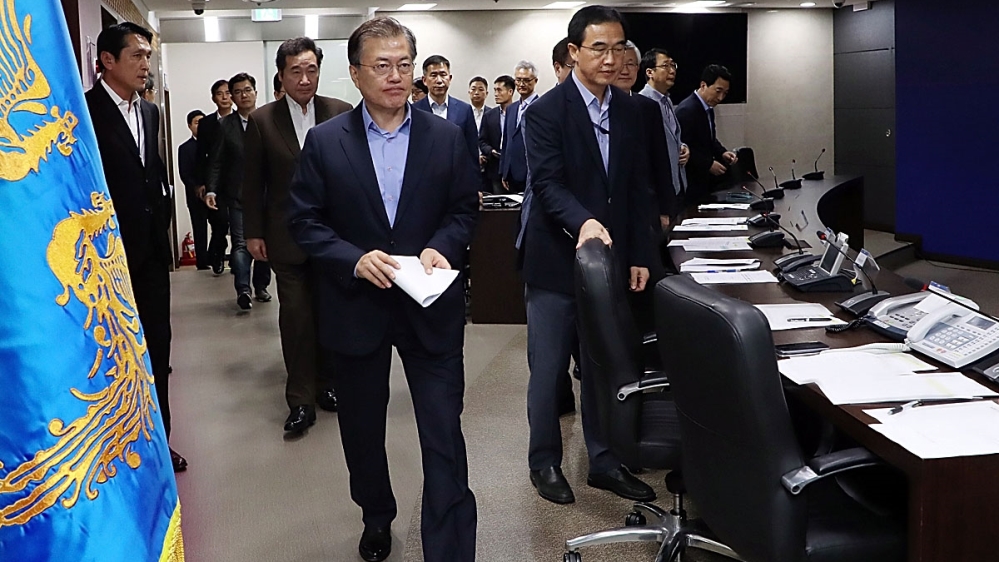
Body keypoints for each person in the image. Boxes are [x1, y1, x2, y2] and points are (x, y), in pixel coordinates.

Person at [287, 17, 478, 562]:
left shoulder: (447, 136)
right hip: (357, 308)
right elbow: (304, 221)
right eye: (381, 66)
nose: (396, 76)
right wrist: (352, 258)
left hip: (430, 305)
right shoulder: (325, 143)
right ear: (355, 73)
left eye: (404, 64)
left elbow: (465, 209)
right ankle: (376, 515)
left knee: (443, 431)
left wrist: (444, 244)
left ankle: (451, 544)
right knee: (363, 432)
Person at [519, 5, 656, 505]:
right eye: (598, 47)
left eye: (618, 47)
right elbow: (548, 184)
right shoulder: (545, 112)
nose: (610, 58)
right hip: (555, 263)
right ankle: (545, 463)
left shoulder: (630, 109)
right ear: (574, 52)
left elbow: (638, 188)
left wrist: (641, 253)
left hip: (611, 263)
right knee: (550, 368)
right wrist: (583, 222)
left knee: (603, 367)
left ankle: (604, 460)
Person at [85, 22, 186, 472]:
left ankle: (159, 444)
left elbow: (152, 175)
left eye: (148, 56)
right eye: (137, 56)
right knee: (111, 355)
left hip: (148, 256)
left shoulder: (149, 113)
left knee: (156, 349)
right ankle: (116, 452)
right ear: (107, 61)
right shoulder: (84, 113)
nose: (146, 64)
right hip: (103, 259)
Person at [243, 36, 352, 435]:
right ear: (281, 75)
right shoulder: (262, 121)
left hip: (333, 238)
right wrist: (252, 234)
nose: (305, 79)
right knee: (296, 319)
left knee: (328, 314)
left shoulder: (341, 113)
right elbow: (252, 184)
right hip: (285, 237)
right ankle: (300, 400)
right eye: (296, 71)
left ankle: (328, 385)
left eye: (311, 70)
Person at [205, 72, 272, 310]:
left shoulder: (268, 119)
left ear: (255, 92)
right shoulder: (225, 126)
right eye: (238, 92)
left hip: (268, 195)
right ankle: (243, 289)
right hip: (238, 195)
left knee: (266, 243)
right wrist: (211, 191)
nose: (244, 95)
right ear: (232, 97)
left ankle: (261, 286)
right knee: (241, 244)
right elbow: (216, 161)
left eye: (248, 90)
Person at [639, 48, 688, 228]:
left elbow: (671, 137)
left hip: (677, 185)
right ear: (649, 72)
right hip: (660, 192)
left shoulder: (666, 100)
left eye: (673, 65)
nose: (672, 70)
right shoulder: (643, 103)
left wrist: (683, 147)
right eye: (665, 66)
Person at [674, 64, 738, 202]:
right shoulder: (687, 110)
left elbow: (709, 138)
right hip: (691, 182)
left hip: (704, 181)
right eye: (718, 91)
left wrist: (722, 152)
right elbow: (683, 147)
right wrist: (708, 164)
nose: (720, 98)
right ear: (703, 85)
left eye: (725, 93)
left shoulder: (707, 107)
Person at [412, 55, 480, 165]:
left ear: (450, 78)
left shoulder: (464, 110)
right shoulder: (414, 110)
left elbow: (472, 151)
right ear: (424, 80)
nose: (439, 80)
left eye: (443, 75)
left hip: (457, 176)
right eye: (433, 75)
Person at [196, 79, 233, 275]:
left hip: (235, 180)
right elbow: (200, 155)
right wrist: (202, 182)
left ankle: (238, 258)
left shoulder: (241, 120)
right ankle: (217, 253)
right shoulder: (206, 123)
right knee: (219, 222)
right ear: (213, 98)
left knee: (237, 223)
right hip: (214, 182)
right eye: (220, 93)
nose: (225, 97)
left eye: (228, 93)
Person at [499, 60, 539, 193]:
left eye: (526, 80)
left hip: (531, 172)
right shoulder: (511, 108)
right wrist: (504, 171)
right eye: (518, 80)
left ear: (535, 81)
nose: (521, 84)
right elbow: (507, 141)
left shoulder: (542, 107)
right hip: (510, 173)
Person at [179, 109, 209, 270]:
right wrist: (197, 187)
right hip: (195, 195)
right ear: (190, 125)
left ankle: (216, 256)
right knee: (199, 228)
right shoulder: (185, 148)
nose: (201, 126)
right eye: (197, 123)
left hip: (214, 193)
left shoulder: (213, 145)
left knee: (221, 227)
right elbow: (184, 173)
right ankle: (202, 261)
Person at [478, 75, 514, 194]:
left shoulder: (519, 113)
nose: (496, 94)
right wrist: (490, 151)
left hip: (515, 167)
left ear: (510, 92)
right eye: (494, 90)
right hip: (495, 167)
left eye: (499, 90)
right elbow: (482, 141)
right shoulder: (489, 116)